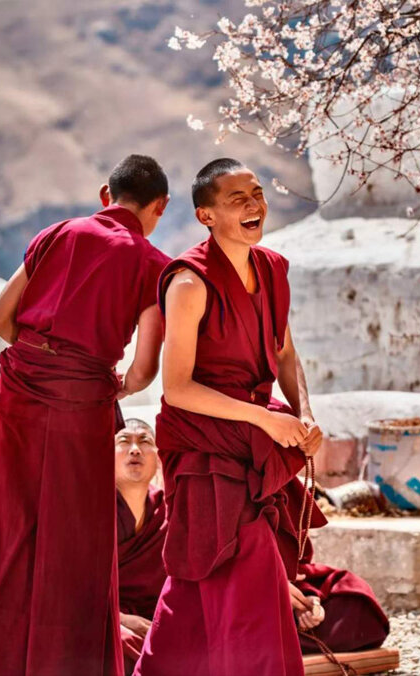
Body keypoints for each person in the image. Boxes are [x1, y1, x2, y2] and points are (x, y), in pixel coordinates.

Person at [134, 158, 327, 676]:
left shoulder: (273, 269)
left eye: (257, 193)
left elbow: (284, 352)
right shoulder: (189, 283)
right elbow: (176, 389)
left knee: (199, 589)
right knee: (237, 565)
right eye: (237, 199)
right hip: (204, 445)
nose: (253, 205)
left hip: (254, 440)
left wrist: (305, 414)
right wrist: (265, 421)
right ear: (206, 215)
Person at [0, 155, 171, 676]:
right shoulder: (152, 264)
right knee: (74, 545)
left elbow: (0, 319)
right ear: (160, 207)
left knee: (2, 531)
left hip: (16, 397)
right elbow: (143, 370)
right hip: (82, 410)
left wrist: (44, 357)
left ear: (105, 195)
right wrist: (103, 379)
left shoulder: (57, 233)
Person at [115, 419, 167, 676]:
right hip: (101, 619)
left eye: (145, 441)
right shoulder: (87, 510)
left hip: (160, 620)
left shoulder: (171, 511)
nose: (135, 449)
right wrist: (119, 619)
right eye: (124, 441)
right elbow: (66, 588)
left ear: (158, 460)